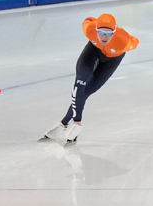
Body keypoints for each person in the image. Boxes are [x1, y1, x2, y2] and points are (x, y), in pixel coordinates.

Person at [42, 13, 139, 143]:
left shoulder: (125, 41)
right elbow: (88, 20)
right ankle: (74, 123)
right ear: (96, 29)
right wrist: (78, 121)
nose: (104, 37)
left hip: (112, 59)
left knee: (87, 91)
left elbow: (136, 41)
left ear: (114, 32)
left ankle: (64, 123)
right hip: (93, 50)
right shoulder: (89, 28)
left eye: (109, 33)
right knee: (80, 82)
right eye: (101, 32)